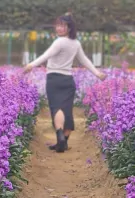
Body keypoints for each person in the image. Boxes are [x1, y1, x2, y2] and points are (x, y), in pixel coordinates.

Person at [22, 14, 105, 153]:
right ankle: (63, 143)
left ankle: (60, 136)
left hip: (54, 79)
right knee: (67, 110)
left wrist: (31, 65)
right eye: (58, 25)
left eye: (63, 26)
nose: (59, 28)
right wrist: (97, 73)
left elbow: (46, 55)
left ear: (69, 28)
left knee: (56, 109)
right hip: (68, 80)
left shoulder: (59, 42)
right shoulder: (76, 43)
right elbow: (84, 60)